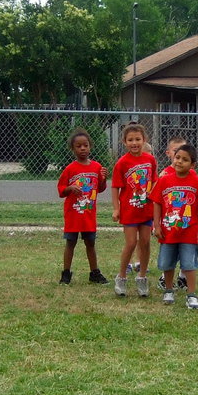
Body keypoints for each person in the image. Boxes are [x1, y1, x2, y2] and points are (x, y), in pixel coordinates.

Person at [151, 143, 198, 309]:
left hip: (189, 234)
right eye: (177, 157)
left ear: (192, 165)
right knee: (167, 263)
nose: (179, 161)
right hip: (167, 233)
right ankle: (169, 290)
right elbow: (157, 203)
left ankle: (191, 294)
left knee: (189, 264)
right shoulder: (164, 180)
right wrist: (156, 225)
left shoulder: (197, 182)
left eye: (185, 160)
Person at [57, 128, 109, 285]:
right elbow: (61, 190)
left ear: (90, 146)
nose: (83, 148)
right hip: (74, 214)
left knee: (90, 243)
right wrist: (70, 188)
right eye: (78, 146)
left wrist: (103, 178)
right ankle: (66, 273)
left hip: (88, 214)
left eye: (85, 145)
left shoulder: (96, 167)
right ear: (73, 149)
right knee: (70, 243)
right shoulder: (70, 169)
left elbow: (100, 188)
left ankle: (94, 272)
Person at [112, 122, 157, 298]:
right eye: (130, 140)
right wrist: (116, 209)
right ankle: (121, 276)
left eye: (138, 139)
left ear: (144, 140)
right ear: (124, 142)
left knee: (145, 242)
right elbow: (115, 187)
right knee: (131, 243)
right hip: (129, 211)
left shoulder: (150, 160)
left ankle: (142, 277)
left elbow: (154, 182)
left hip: (146, 210)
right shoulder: (122, 163)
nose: (134, 143)